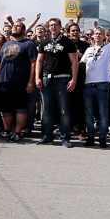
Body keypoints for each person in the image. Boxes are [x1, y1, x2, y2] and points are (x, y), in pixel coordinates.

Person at [34, 17, 80, 146]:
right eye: (51, 25)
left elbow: (74, 61)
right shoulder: (44, 42)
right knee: (47, 111)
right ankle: (47, 135)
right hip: (47, 80)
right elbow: (39, 61)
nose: (53, 27)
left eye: (56, 25)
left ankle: (65, 137)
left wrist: (73, 79)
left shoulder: (68, 42)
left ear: (60, 27)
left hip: (62, 79)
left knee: (64, 110)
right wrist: (37, 77)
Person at [81, 11, 110, 148]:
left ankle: (102, 138)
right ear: (92, 36)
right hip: (88, 85)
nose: (97, 35)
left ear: (104, 36)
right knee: (88, 114)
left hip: (102, 85)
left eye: (100, 34)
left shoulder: (108, 49)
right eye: (96, 34)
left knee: (103, 113)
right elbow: (82, 65)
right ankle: (90, 137)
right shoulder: (88, 50)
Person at [0, 21, 39, 143]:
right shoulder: (6, 44)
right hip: (4, 81)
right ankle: (7, 130)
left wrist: (31, 81)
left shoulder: (29, 44)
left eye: (18, 26)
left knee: (21, 108)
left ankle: (17, 132)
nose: (14, 27)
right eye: (14, 26)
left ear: (23, 30)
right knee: (5, 108)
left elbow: (33, 63)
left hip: (21, 82)